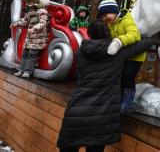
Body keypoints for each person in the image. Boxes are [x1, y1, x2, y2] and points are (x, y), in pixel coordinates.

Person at [57, 20, 152, 152]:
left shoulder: (80, 52)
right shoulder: (117, 52)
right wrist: (126, 36)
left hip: (76, 112)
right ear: (108, 33)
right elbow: (146, 43)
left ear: (89, 34)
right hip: (101, 117)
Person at [98, 0, 146, 112]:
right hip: (124, 55)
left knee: (128, 77)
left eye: (106, 15)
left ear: (114, 12)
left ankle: (128, 101)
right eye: (102, 16)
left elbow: (135, 35)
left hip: (135, 56)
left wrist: (119, 41)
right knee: (119, 76)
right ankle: (119, 99)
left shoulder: (126, 20)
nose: (104, 18)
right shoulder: (111, 24)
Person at [12, 0, 49, 78]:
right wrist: (16, 24)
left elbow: (42, 23)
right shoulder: (29, 12)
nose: (27, 4)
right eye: (27, 2)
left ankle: (27, 71)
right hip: (29, 38)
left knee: (32, 55)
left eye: (29, 2)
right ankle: (21, 70)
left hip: (37, 39)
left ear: (34, 2)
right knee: (25, 54)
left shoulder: (42, 12)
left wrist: (34, 29)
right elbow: (25, 22)